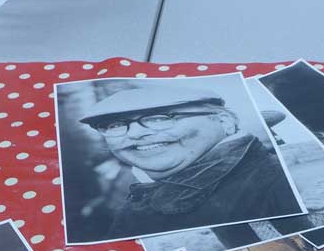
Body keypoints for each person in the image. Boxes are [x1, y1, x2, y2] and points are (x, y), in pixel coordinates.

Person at [74, 85, 301, 241]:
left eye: (159, 118)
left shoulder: (281, 181)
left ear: (224, 123)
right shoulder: (143, 200)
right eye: (114, 126)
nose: (134, 134)